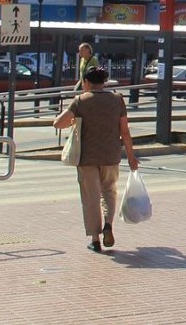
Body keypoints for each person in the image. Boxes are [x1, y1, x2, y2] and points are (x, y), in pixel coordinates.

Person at [52, 65, 139, 253]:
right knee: (109, 192)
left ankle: (95, 238)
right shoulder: (117, 99)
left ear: (86, 82)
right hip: (111, 155)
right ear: (104, 82)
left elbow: (59, 123)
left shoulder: (80, 101)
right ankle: (108, 224)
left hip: (87, 157)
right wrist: (131, 156)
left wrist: (73, 121)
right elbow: (125, 131)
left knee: (91, 197)